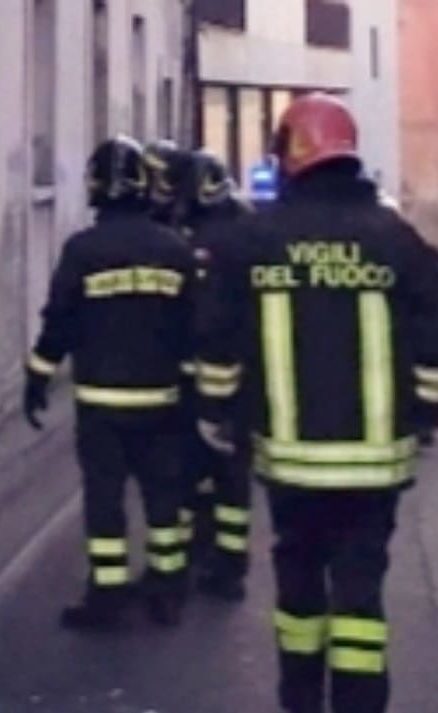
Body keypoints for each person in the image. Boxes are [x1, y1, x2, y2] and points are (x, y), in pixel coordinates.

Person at [194, 95, 438, 713]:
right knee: (361, 594)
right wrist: (425, 418)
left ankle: (301, 699)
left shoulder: (253, 241)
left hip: (289, 464)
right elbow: (434, 347)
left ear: (294, 154)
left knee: (299, 577)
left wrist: (219, 413)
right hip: (374, 468)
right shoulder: (397, 240)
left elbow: (216, 343)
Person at [24, 136, 197, 631]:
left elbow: (60, 322)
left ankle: (108, 595)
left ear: (96, 187)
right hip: (163, 401)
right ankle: (168, 590)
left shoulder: (82, 250)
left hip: (101, 405)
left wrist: (37, 378)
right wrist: (197, 393)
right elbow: (195, 327)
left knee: (105, 499)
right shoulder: (175, 250)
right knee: (163, 498)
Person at [181, 151, 256, 602]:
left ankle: (203, 555)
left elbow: (207, 324)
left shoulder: (202, 243)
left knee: (198, 473)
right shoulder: (246, 232)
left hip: (207, 383)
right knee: (232, 477)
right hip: (244, 382)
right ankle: (230, 564)